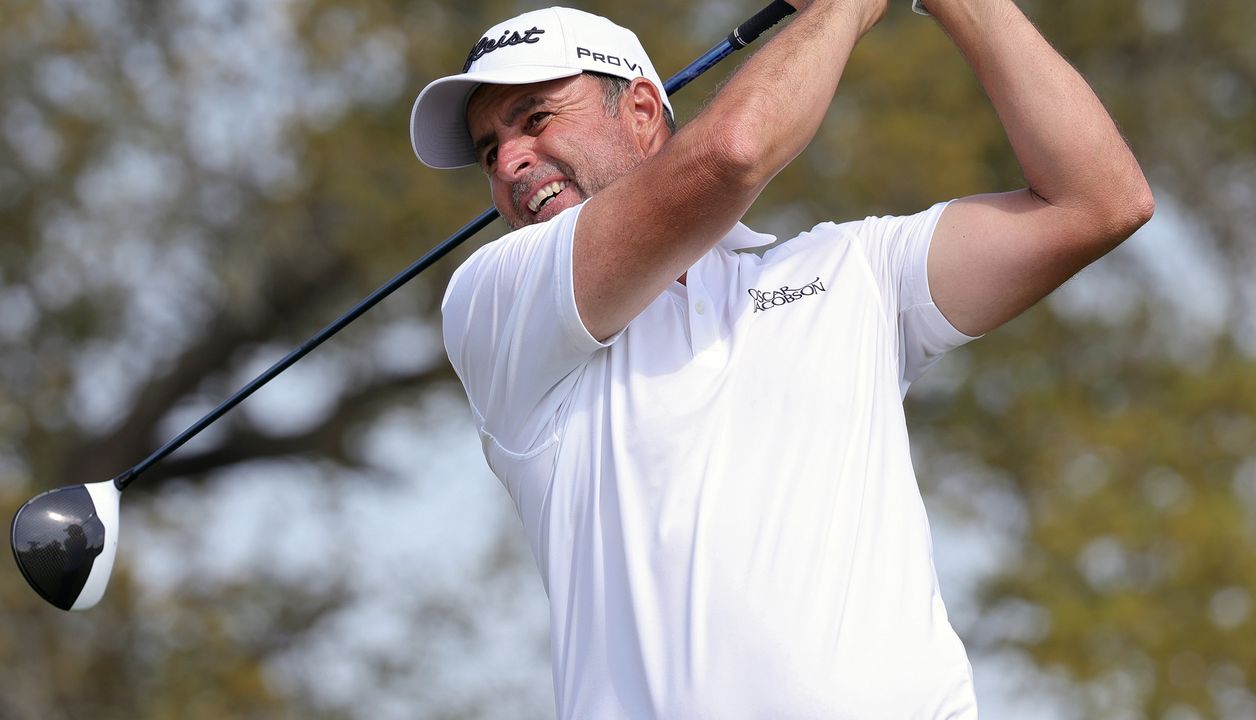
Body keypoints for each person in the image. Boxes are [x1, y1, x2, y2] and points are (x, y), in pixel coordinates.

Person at [409, 0, 1153, 716]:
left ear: (641, 112)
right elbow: (730, 157)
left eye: (534, 119)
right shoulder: (495, 301)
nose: (509, 161)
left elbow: (1097, 202)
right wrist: (845, 8)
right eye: (487, 151)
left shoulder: (850, 270)